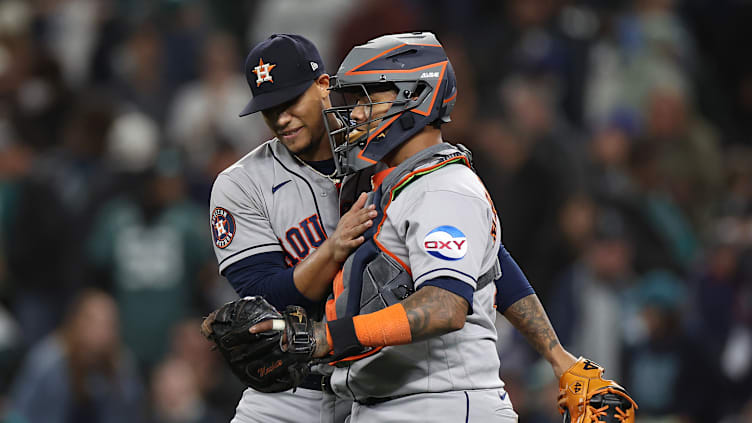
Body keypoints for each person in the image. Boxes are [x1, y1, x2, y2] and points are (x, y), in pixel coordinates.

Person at [252, 32, 579, 421]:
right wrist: (559, 356)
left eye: (368, 97)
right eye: (354, 100)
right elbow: (493, 264)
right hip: (399, 405)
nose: (355, 114)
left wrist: (328, 337)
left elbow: (446, 306)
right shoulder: (401, 183)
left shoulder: (442, 188)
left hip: (441, 405)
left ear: (417, 96)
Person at [208, 34, 375, 423]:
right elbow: (265, 299)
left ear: (323, 86)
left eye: (289, 102)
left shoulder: (383, 147)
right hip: (293, 389)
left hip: (382, 383)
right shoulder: (241, 183)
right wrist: (333, 250)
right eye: (268, 109)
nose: (280, 118)